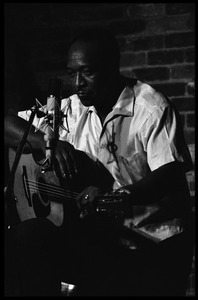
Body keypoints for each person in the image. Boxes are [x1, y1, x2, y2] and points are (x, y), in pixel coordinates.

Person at [4, 27, 194, 296]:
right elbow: (7, 123)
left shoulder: (151, 108)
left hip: (154, 244)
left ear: (112, 68)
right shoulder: (70, 109)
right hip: (104, 241)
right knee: (26, 236)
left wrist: (118, 196)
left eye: (88, 72)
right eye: (72, 73)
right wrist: (44, 141)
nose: (77, 82)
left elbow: (170, 174)